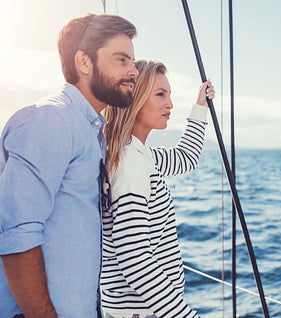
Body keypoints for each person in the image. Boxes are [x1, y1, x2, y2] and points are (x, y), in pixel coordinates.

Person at [0, 13, 138, 317]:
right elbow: (17, 236)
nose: (133, 72)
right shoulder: (51, 120)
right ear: (84, 62)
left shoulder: (89, 130)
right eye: (121, 60)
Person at [100, 60, 214, 318]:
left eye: (170, 95)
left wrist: (200, 107)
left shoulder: (139, 154)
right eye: (160, 94)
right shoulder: (131, 163)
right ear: (135, 98)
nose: (170, 104)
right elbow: (135, 259)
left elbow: (185, 158)